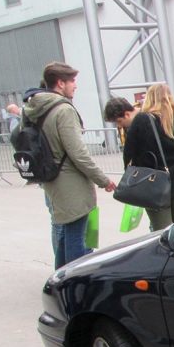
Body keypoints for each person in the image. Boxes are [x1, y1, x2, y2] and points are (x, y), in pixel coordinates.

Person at [23, 62, 116, 269]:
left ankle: (59, 281)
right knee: (76, 236)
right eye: (72, 81)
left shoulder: (33, 107)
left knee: (65, 235)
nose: (75, 86)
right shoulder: (63, 109)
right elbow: (78, 152)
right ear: (60, 83)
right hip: (70, 181)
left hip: (51, 178)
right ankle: (73, 284)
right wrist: (102, 179)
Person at [112, 83, 174, 231]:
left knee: (162, 232)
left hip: (153, 183)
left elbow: (129, 152)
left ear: (149, 99)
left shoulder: (142, 119)